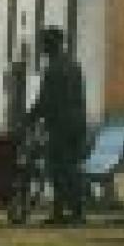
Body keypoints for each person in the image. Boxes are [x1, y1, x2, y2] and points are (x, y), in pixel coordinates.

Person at [27, 25, 88, 223]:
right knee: (71, 168)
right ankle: (75, 212)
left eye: (44, 44)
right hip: (77, 125)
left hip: (61, 126)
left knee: (57, 169)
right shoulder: (74, 66)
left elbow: (45, 101)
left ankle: (61, 212)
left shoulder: (53, 69)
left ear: (51, 45)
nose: (42, 48)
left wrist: (28, 119)